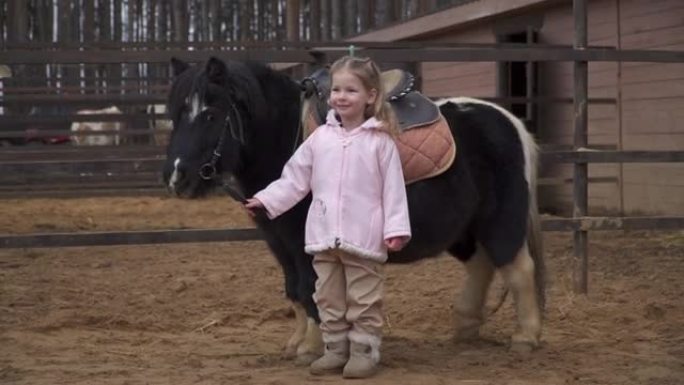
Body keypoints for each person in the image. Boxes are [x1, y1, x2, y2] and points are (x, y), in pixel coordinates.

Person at [245, 56, 411, 378]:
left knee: (363, 299)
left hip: (363, 238)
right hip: (324, 238)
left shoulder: (381, 143)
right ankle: (335, 349)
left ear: (371, 96)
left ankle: (364, 351)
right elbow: (294, 180)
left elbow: (394, 191)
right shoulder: (319, 139)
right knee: (327, 297)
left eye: (351, 90)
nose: (341, 96)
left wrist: (396, 228)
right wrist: (265, 200)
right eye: (336, 89)